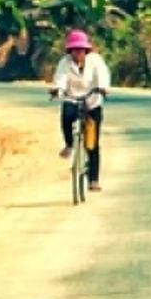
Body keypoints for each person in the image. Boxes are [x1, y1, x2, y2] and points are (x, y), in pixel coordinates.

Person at [50, 30, 111, 191]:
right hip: (72, 98)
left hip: (92, 101)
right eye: (74, 50)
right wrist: (57, 89)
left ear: (86, 50)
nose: (78, 54)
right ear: (70, 51)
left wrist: (103, 88)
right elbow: (60, 79)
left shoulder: (96, 61)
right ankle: (69, 144)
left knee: (92, 143)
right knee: (66, 116)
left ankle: (94, 180)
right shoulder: (65, 63)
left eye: (81, 50)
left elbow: (103, 75)